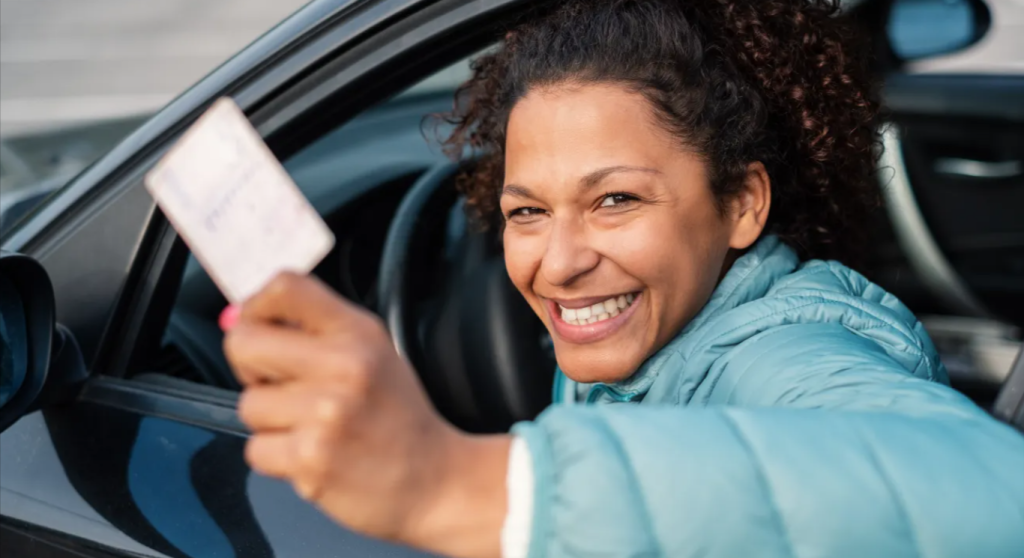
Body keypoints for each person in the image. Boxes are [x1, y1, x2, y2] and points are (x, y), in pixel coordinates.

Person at [219, 1, 1024, 557]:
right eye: (527, 212)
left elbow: (994, 493)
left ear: (741, 204)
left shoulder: (784, 357)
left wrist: (457, 484)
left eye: (615, 200)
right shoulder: (649, 339)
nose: (559, 263)